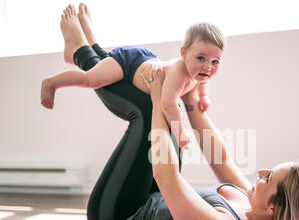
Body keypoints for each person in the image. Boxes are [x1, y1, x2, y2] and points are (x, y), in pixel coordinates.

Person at [52, 3, 299, 220]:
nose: (260, 174)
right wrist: (191, 104)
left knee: (146, 109)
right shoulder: (260, 210)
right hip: (150, 199)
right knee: (168, 100)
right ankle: (94, 52)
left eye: (269, 177)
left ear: (274, 207)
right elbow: (220, 158)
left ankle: (81, 52)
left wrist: (159, 101)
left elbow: (165, 175)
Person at [41, 4, 225, 150]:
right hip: (129, 63)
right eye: (201, 58)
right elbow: (168, 105)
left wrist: (203, 96)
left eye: (215, 61)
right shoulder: (178, 74)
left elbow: (202, 82)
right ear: (183, 53)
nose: (208, 67)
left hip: (146, 61)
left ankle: (85, 40)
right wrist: (180, 132)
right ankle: (52, 83)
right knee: (91, 79)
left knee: (100, 66)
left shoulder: (198, 73)